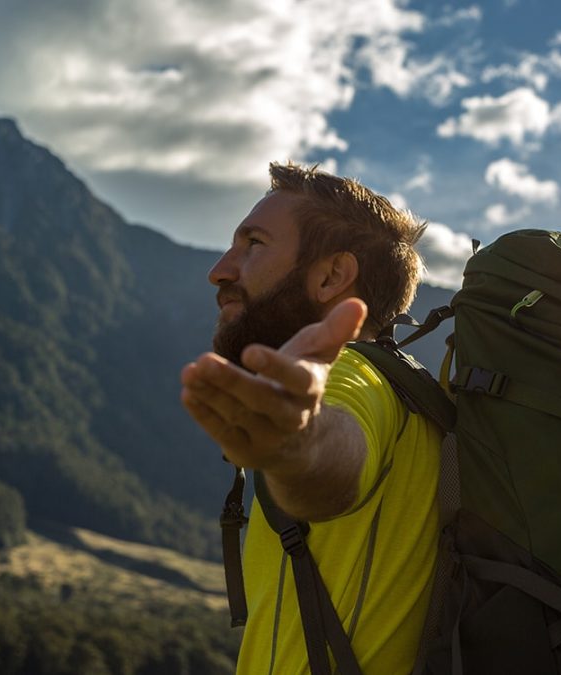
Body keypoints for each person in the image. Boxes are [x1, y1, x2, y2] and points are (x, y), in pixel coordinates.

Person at [180, 161, 442, 674]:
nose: (219, 270)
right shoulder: (415, 395)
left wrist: (295, 442)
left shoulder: (353, 376)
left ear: (330, 277)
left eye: (253, 244)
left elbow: (333, 463)